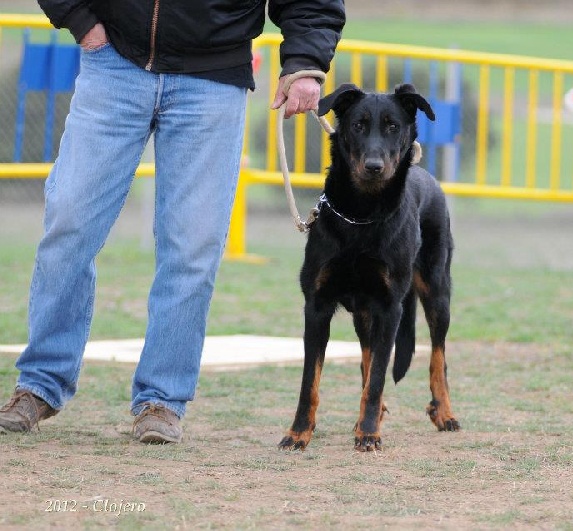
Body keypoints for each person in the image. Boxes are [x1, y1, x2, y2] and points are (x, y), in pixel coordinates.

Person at [0, 0, 345, 443]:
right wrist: (81, 21)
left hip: (213, 79)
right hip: (114, 65)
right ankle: (40, 384)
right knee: (68, 219)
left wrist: (305, 62)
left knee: (193, 246)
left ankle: (162, 399)